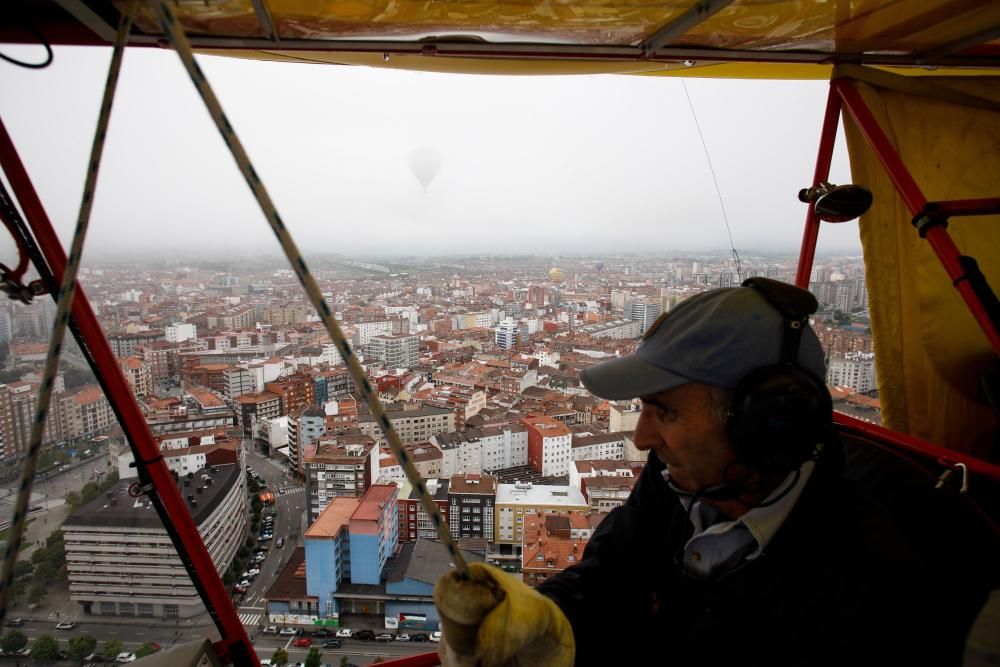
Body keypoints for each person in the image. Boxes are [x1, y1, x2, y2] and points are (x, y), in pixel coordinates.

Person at [435, 278, 941, 667]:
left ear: (764, 425)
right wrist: (544, 617)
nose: (643, 438)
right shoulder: (676, 481)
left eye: (666, 412)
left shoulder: (875, 583)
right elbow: (611, 577)